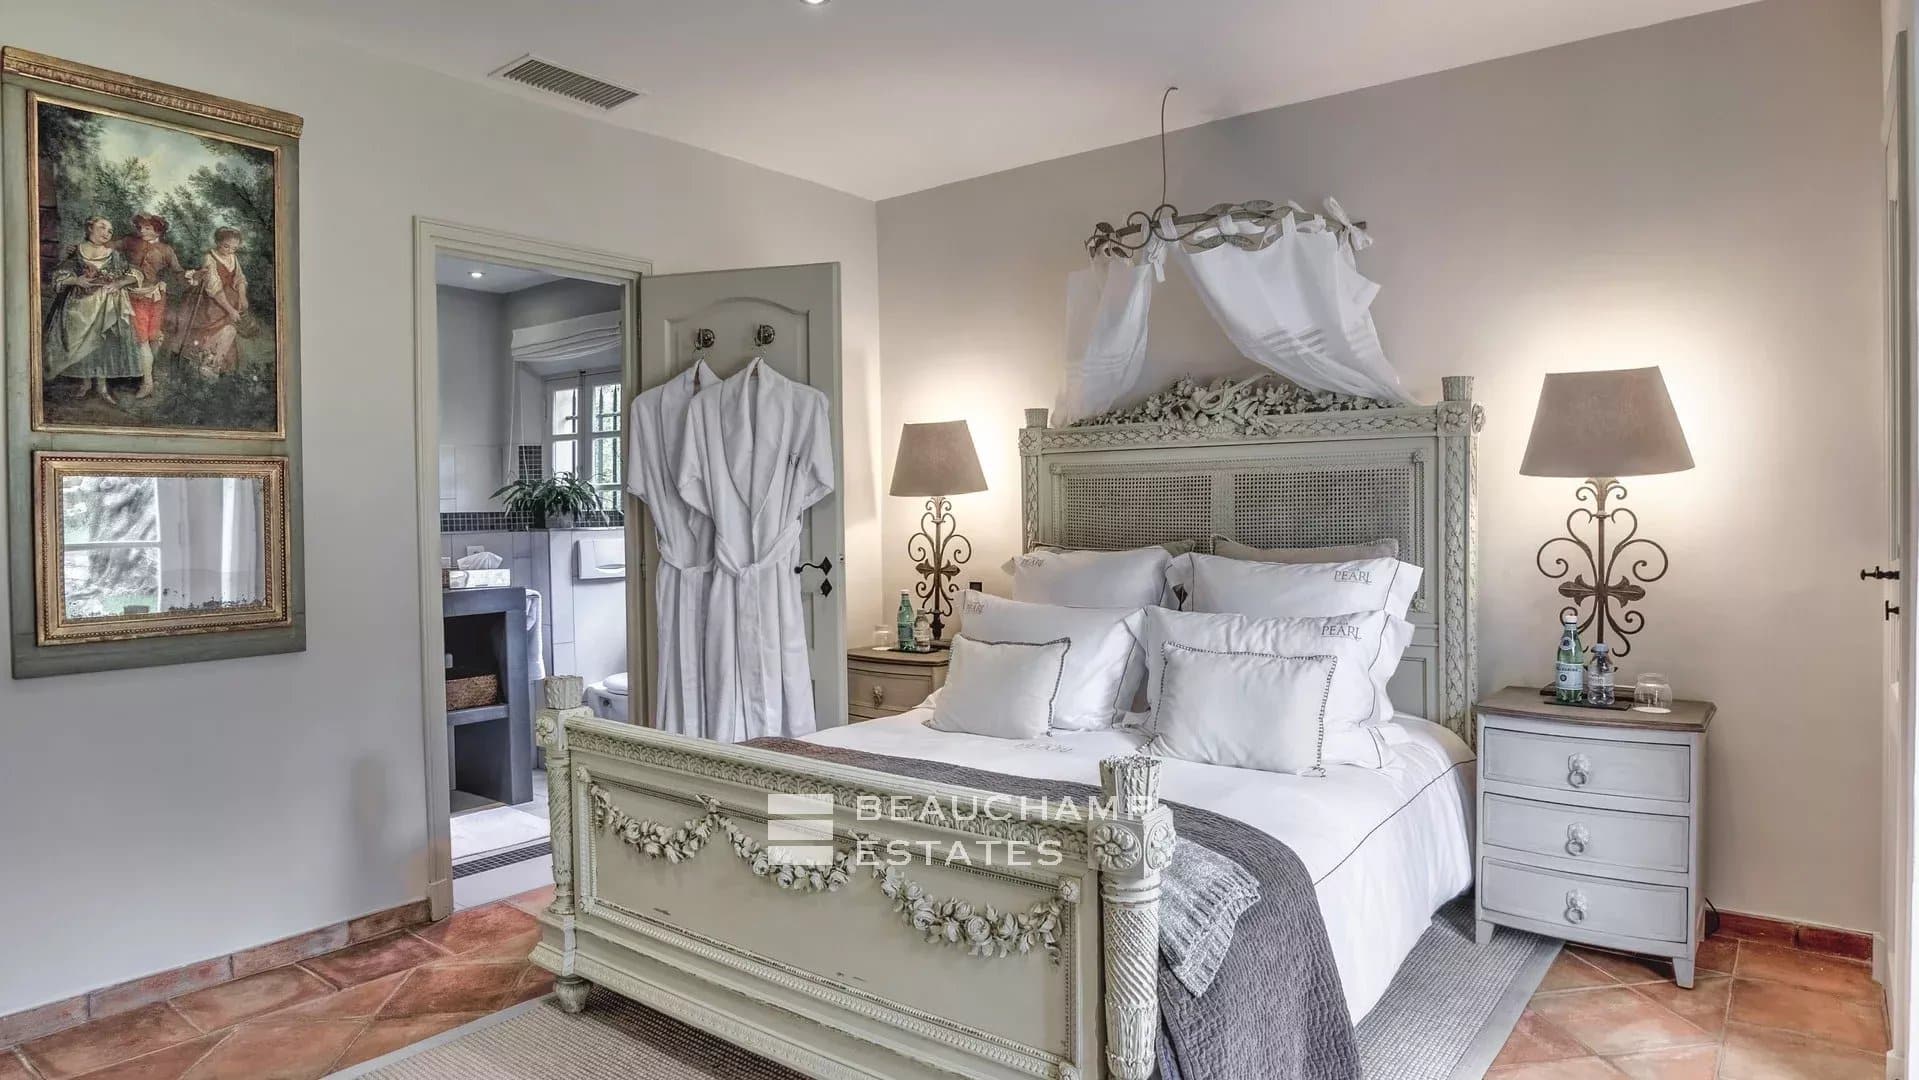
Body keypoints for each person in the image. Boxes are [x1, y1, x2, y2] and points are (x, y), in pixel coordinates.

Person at [43, 215, 141, 399]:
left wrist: (118, 284)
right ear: (90, 228)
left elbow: (133, 274)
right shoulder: (77, 251)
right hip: (78, 305)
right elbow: (59, 274)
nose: (107, 232)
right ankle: (85, 383)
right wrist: (76, 280)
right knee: (81, 345)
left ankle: (102, 387)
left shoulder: (113, 254)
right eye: (102, 227)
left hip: (105, 305)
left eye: (110, 230)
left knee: (101, 344)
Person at [121, 213, 184, 399]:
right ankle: (147, 382)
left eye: (147, 228)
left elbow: (178, 271)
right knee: (141, 340)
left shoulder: (166, 250)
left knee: (153, 337)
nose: (142, 230)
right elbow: (105, 246)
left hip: (156, 297)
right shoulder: (130, 242)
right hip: (135, 296)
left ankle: (149, 374)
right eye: (140, 227)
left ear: (158, 230)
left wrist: (193, 276)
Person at [181, 226, 249, 375]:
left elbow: (239, 278)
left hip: (231, 302)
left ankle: (215, 365)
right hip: (213, 304)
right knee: (214, 331)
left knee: (229, 332)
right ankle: (203, 363)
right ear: (218, 242)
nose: (230, 251)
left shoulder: (233, 257)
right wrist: (230, 310)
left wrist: (242, 296)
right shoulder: (209, 258)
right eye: (226, 246)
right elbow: (214, 287)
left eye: (234, 248)